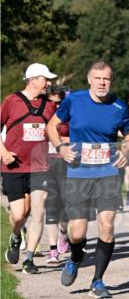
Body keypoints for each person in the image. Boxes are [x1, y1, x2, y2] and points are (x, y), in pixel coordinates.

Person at [45, 59, 129, 299]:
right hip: (78, 173)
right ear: (89, 80)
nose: (102, 83)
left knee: (107, 225)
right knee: (77, 232)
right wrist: (60, 148)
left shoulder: (118, 106)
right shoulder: (73, 100)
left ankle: (98, 281)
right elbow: (51, 126)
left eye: (106, 78)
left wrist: (126, 152)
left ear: (111, 80)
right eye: (97, 78)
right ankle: (76, 257)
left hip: (107, 173)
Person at [1, 63, 58, 273]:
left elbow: (57, 131)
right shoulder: (12, 101)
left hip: (39, 166)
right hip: (14, 165)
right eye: (46, 79)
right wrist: (4, 153)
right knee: (19, 214)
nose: (49, 83)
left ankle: (29, 258)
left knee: (38, 210)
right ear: (33, 79)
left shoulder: (50, 105)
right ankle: (16, 237)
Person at [44, 84, 71, 265]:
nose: (54, 104)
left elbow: (75, 136)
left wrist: (60, 141)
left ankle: (64, 234)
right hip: (45, 162)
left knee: (64, 207)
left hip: (66, 162)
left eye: (58, 100)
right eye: (51, 100)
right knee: (50, 206)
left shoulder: (69, 110)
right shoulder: (43, 110)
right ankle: (53, 250)